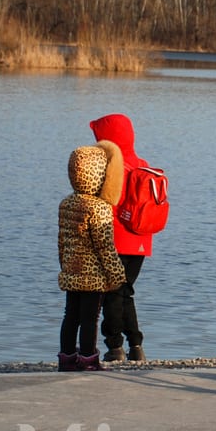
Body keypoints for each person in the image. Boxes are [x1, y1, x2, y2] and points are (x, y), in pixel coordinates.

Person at [57, 140, 127, 372]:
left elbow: (62, 242)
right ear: (98, 175)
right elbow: (105, 246)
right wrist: (116, 274)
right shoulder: (99, 208)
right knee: (89, 318)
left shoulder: (66, 203)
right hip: (93, 276)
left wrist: (64, 265)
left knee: (70, 316)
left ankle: (67, 357)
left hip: (71, 271)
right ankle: (88, 358)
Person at [89, 113, 154, 363]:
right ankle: (136, 345)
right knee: (125, 292)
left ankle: (115, 347)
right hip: (141, 241)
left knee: (112, 294)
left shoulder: (108, 166)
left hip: (115, 238)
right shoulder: (142, 163)